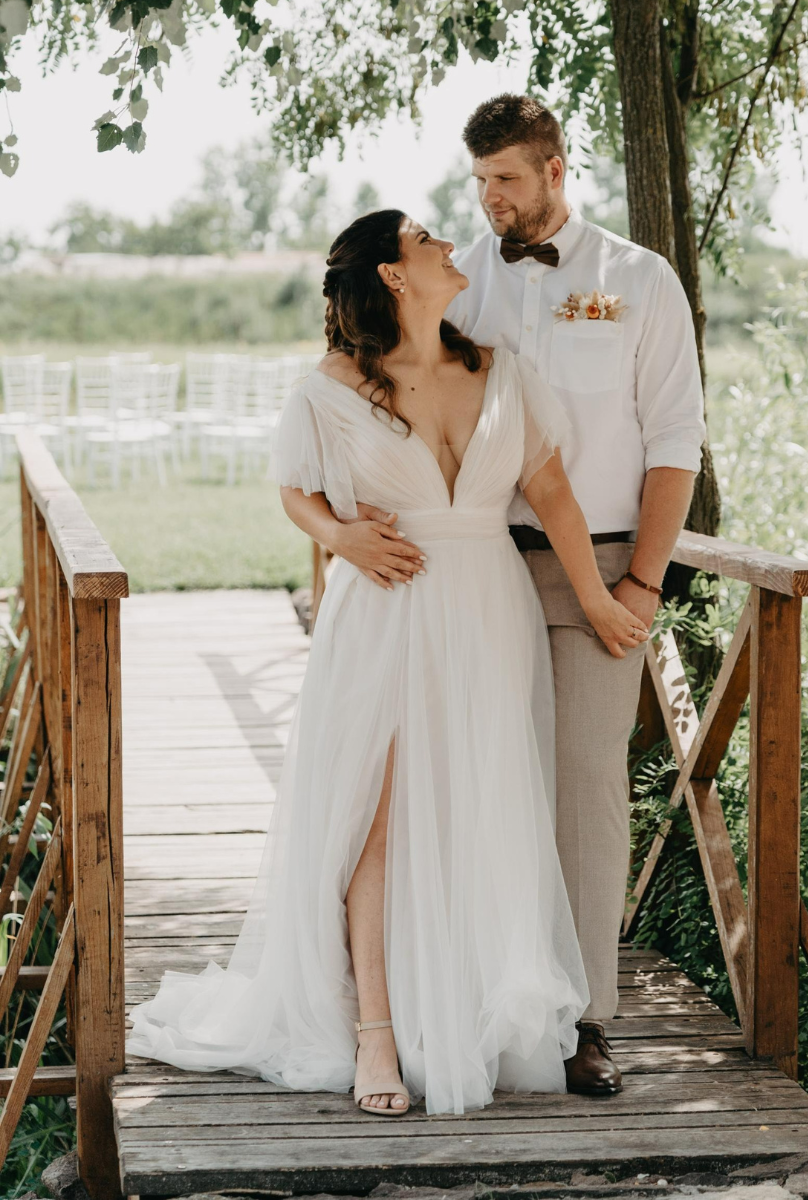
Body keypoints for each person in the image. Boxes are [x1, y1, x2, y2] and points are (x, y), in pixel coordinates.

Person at [124, 208, 651, 1118]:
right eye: (425, 240)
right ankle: (373, 1029)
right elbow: (295, 491)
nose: (450, 243)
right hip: (386, 610)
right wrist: (339, 538)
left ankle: (469, 1006)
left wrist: (600, 598)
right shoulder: (327, 389)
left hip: (489, 610)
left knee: (477, 800)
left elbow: (552, 491)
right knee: (374, 810)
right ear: (395, 277)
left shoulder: (496, 370)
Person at [444, 95, 706, 1095]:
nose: (490, 199)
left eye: (506, 178)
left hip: (600, 574)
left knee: (587, 792)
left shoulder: (641, 282)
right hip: (479, 569)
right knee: (482, 784)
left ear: (555, 170)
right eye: (479, 182)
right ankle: (479, 1003)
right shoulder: (459, 285)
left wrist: (640, 577)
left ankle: (587, 1019)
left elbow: (674, 440)